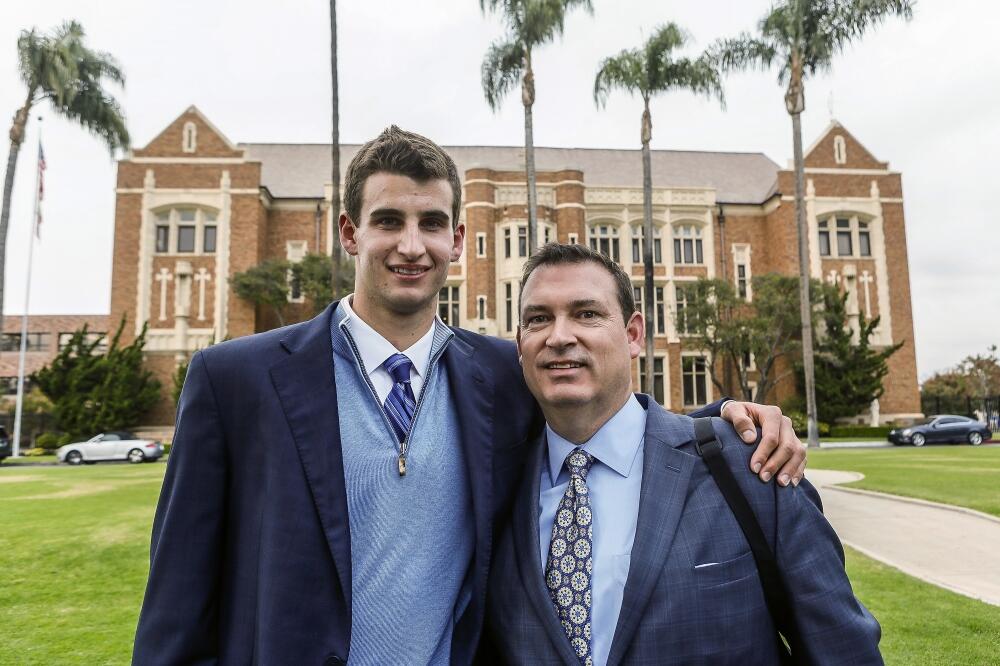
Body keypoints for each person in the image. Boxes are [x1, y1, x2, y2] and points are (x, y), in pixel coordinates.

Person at [132, 127, 806, 665]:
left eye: (432, 223)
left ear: (459, 240)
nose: (410, 244)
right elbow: (176, 609)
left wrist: (727, 419)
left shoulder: (500, 376)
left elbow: (602, 416)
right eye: (388, 220)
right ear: (349, 233)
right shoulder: (236, 381)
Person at [486, 243, 882, 666]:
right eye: (538, 319)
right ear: (520, 345)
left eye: (587, 314)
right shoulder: (494, 489)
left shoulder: (749, 467)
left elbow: (841, 647)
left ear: (634, 334)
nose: (560, 336)